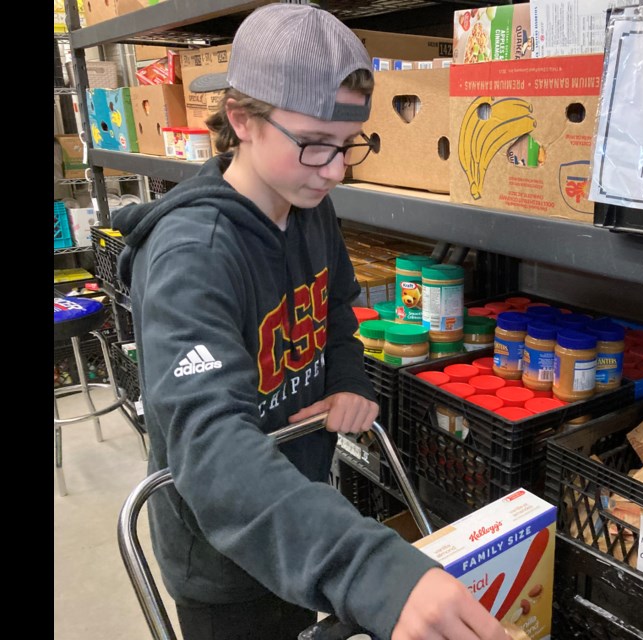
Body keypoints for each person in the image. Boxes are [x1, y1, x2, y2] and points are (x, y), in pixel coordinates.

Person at [113, 5, 506, 640]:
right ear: (242, 119)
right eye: (314, 145)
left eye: (347, 144)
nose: (335, 170)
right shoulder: (193, 257)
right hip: (225, 550)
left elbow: (334, 313)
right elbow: (210, 447)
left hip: (302, 506)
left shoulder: (305, 203)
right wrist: (368, 567)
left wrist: (350, 380)